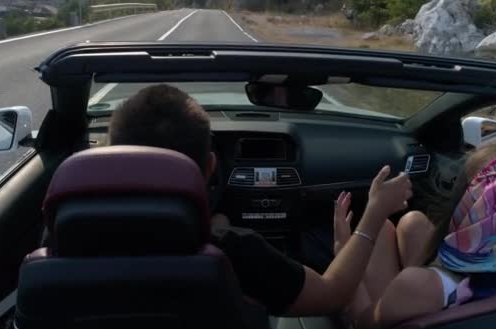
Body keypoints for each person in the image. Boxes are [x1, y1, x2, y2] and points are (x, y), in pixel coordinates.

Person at [108, 84, 413, 316]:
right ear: (212, 167)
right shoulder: (233, 251)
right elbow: (333, 294)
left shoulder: (67, 240)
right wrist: (374, 212)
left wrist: (218, 222)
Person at [345, 142, 496, 329]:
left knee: (379, 229)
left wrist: (345, 248)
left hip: (393, 320)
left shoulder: (414, 286)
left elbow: (362, 326)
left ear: (477, 211)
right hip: (456, 304)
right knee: (412, 223)